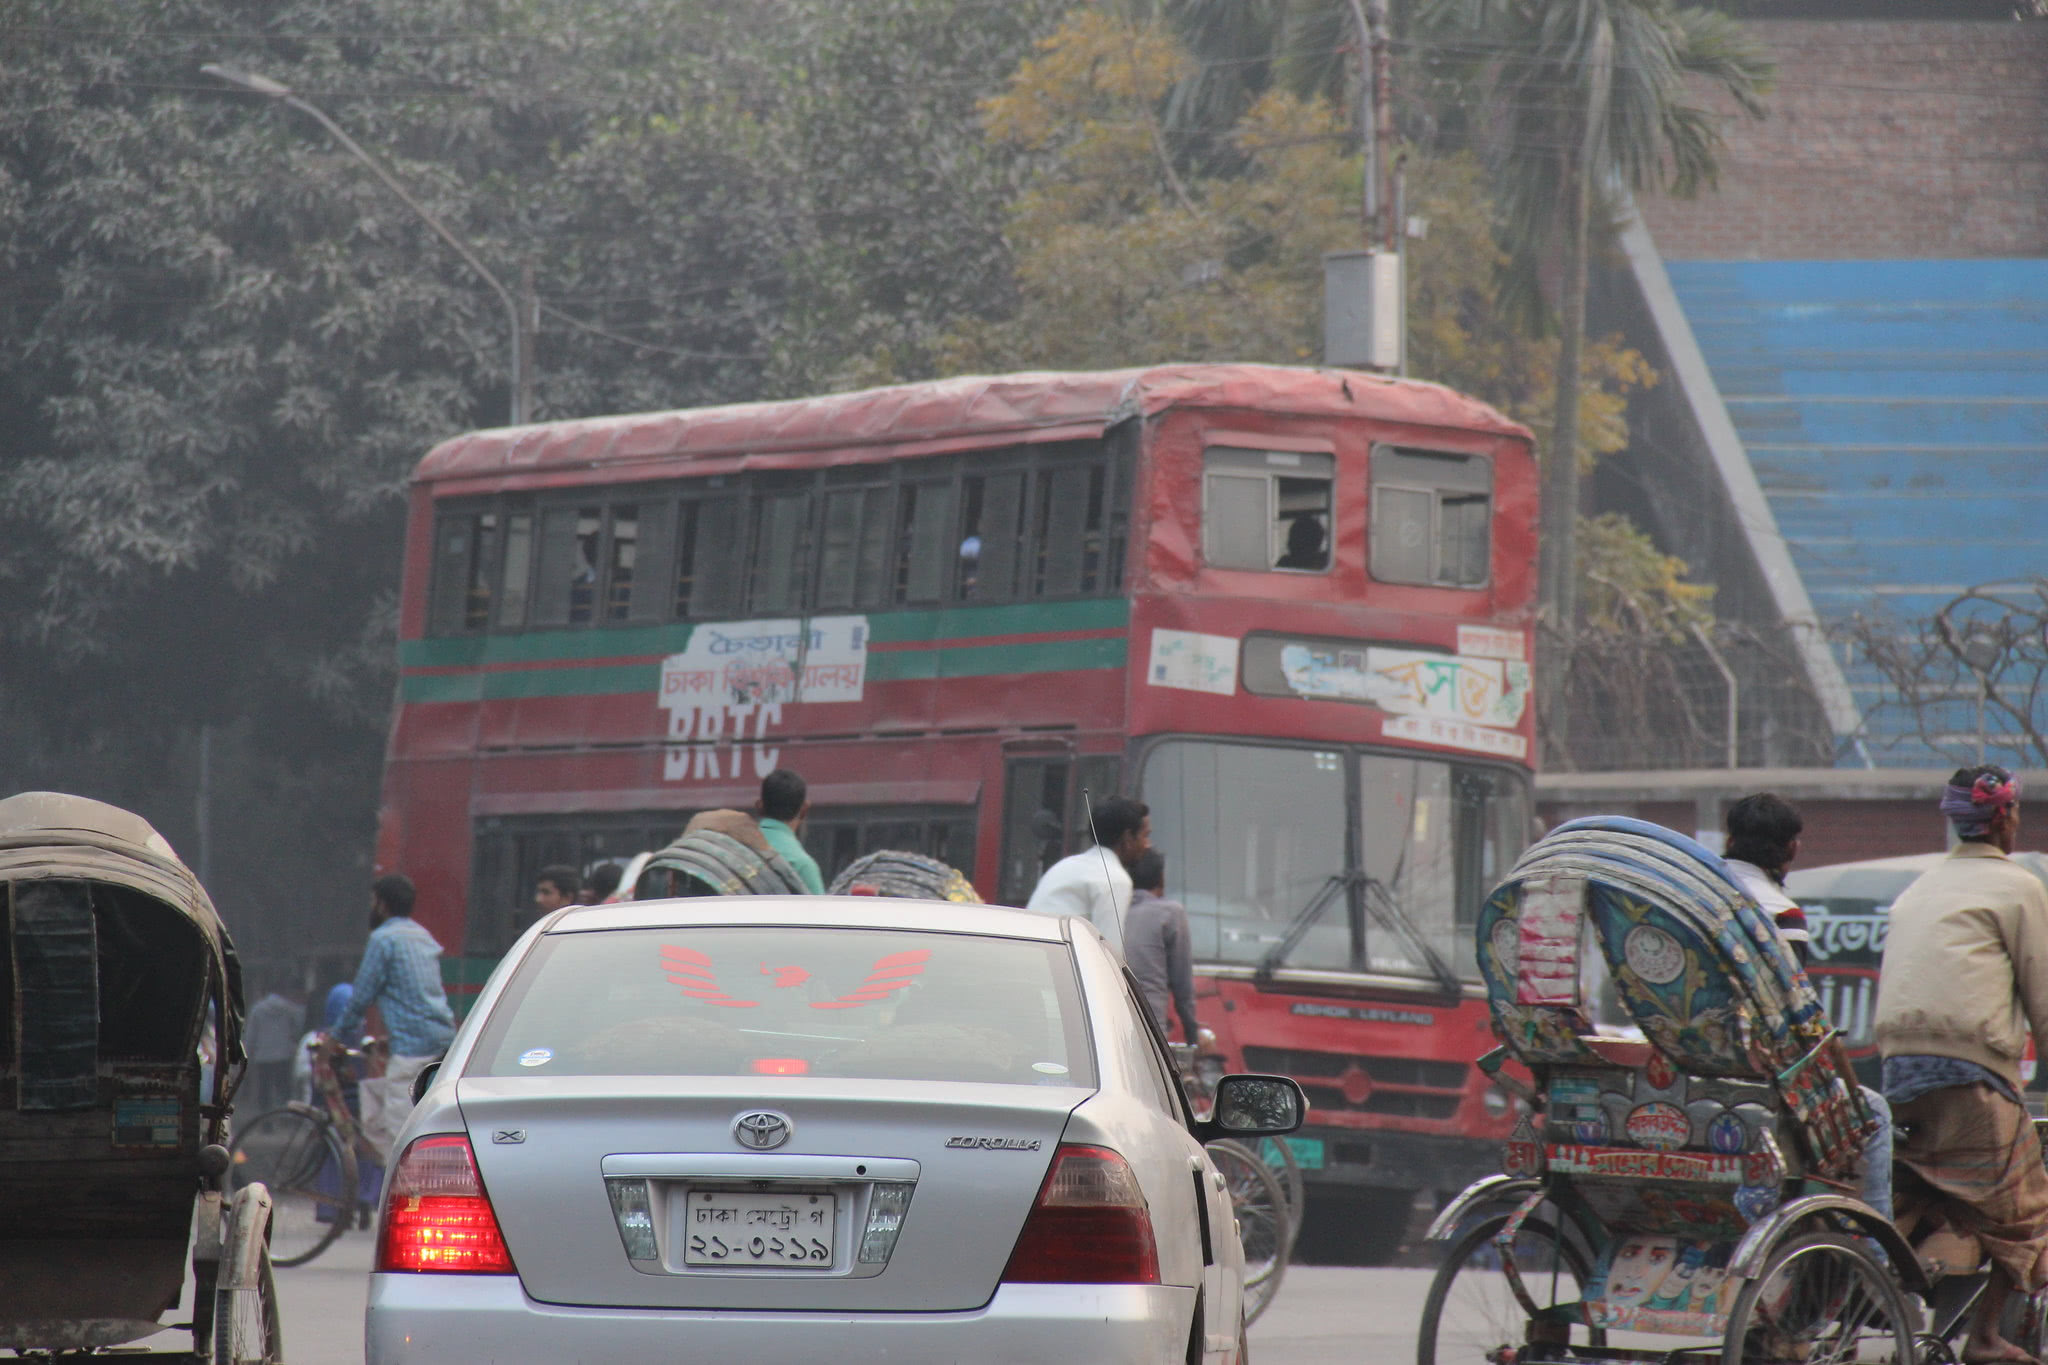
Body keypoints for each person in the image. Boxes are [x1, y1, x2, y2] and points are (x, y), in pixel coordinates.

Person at [1875, 764, 2048, 1364]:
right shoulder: (2019, 886)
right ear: (2004, 818)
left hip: (1897, 1071)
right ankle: (1984, 1338)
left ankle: (1864, 1284)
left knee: (1926, 1193)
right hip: (1969, 1075)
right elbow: (2042, 997)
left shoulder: (1917, 889)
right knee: (2025, 1213)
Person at [1721, 792, 1893, 1219]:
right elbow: (1793, 1017)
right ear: (1791, 849)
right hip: (1760, 1084)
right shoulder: (1782, 913)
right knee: (1874, 1112)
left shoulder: (1689, 897)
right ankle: (1877, 1254)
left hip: (1688, 1069)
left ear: (1730, 839)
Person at [331, 874, 457, 1163]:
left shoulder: (383, 939)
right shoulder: (422, 936)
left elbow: (361, 997)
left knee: (400, 1136)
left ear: (382, 905)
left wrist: (333, 1039)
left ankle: (408, 1196)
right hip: (442, 1043)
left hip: (413, 1050)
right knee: (404, 1116)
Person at [1024, 796, 1150, 940]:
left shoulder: (1065, 866)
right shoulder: (1114, 878)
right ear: (1128, 838)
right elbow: (1108, 950)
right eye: (1145, 836)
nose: (1147, 845)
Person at [1722, 793, 1811, 956]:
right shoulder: (1783, 913)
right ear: (1792, 849)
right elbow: (1791, 979)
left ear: (1729, 843)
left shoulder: (1691, 890)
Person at [1124, 850, 1199, 1043]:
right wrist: (1193, 1033)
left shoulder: (1115, 907)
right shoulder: (1171, 913)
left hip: (1110, 1019)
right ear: (1161, 878)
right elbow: (1182, 986)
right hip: (1151, 1027)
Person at [755, 768, 825, 895]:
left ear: (759, 806)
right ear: (804, 810)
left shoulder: (730, 847)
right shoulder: (802, 865)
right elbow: (818, 913)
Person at [243, 985, 302, 1113]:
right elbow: (296, 1030)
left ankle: (266, 1120)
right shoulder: (289, 1009)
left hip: (263, 1056)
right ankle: (285, 1115)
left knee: (265, 1090)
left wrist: (248, 1054)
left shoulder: (257, 1009)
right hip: (284, 1055)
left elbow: (251, 1034)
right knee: (284, 1088)